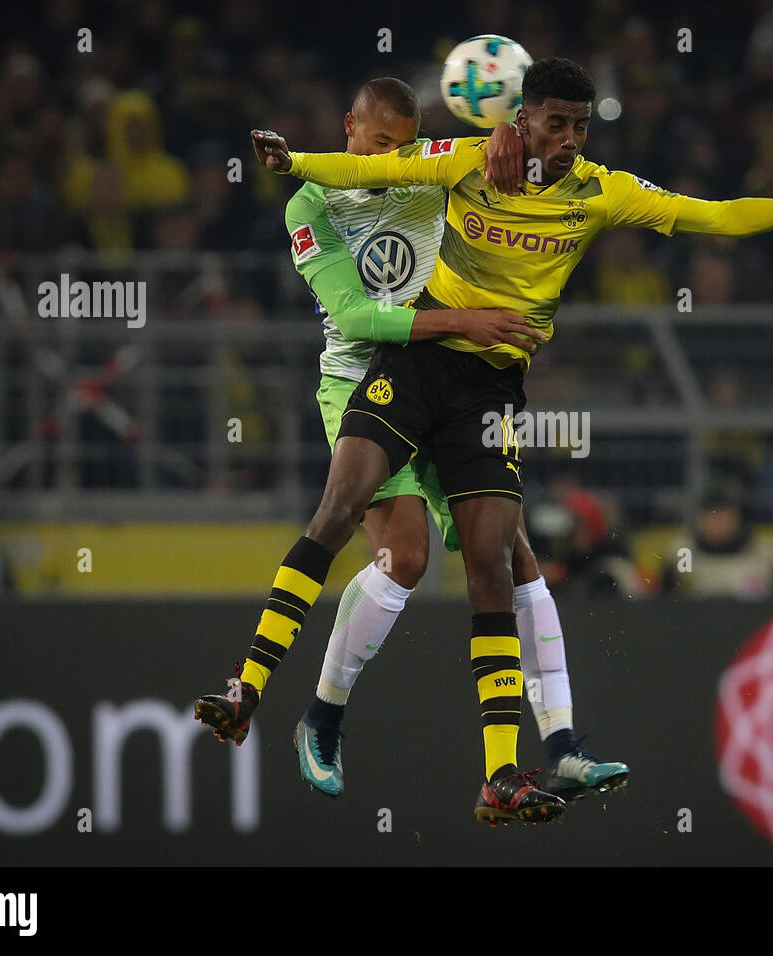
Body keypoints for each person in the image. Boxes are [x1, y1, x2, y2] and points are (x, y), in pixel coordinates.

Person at [225, 56, 773, 824]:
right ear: (524, 117)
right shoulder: (463, 161)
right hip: (398, 362)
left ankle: (538, 754)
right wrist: (293, 161)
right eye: (555, 123)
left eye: (580, 125)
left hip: (490, 391)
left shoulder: (600, 191)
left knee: (503, 561)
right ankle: (299, 705)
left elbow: (714, 214)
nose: (569, 139)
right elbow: (380, 165)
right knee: (389, 545)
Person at [194, 78, 628, 815]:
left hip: (451, 382)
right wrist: (465, 321)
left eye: (405, 147)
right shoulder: (313, 202)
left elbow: (504, 152)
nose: (391, 160)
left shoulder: (430, 168)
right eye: (379, 145)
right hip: (361, 380)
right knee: (404, 558)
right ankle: (320, 717)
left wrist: (502, 134)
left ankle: (560, 748)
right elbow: (358, 317)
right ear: (349, 130)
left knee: (510, 555)